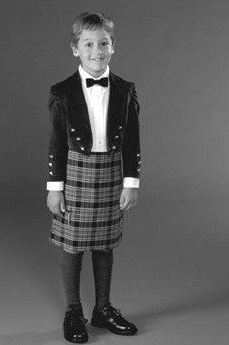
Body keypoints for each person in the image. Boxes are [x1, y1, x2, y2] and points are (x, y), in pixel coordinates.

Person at [46, 11, 141, 343]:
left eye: (103, 43)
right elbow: (57, 143)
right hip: (75, 175)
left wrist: (131, 182)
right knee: (72, 247)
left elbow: (132, 141)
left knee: (105, 245)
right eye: (88, 44)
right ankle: (74, 311)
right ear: (75, 48)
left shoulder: (126, 89)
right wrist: (54, 188)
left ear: (113, 46)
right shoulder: (62, 91)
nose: (96, 51)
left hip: (111, 174)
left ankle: (103, 308)